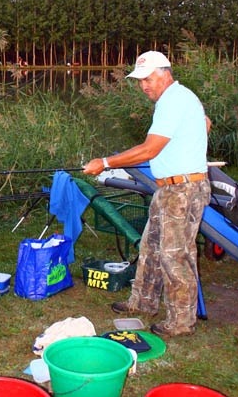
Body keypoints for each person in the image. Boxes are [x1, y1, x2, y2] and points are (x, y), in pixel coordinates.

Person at [82, 51, 211, 338]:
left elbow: (150, 149)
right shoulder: (178, 99)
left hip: (183, 190)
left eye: (149, 79)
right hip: (168, 189)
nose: (144, 86)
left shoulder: (173, 100)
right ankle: (143, 302)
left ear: (165, 73)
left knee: (175, 257)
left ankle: (181, 322)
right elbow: (203, 123)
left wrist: (104, 163)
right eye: (140, 80)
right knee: (150, 248)